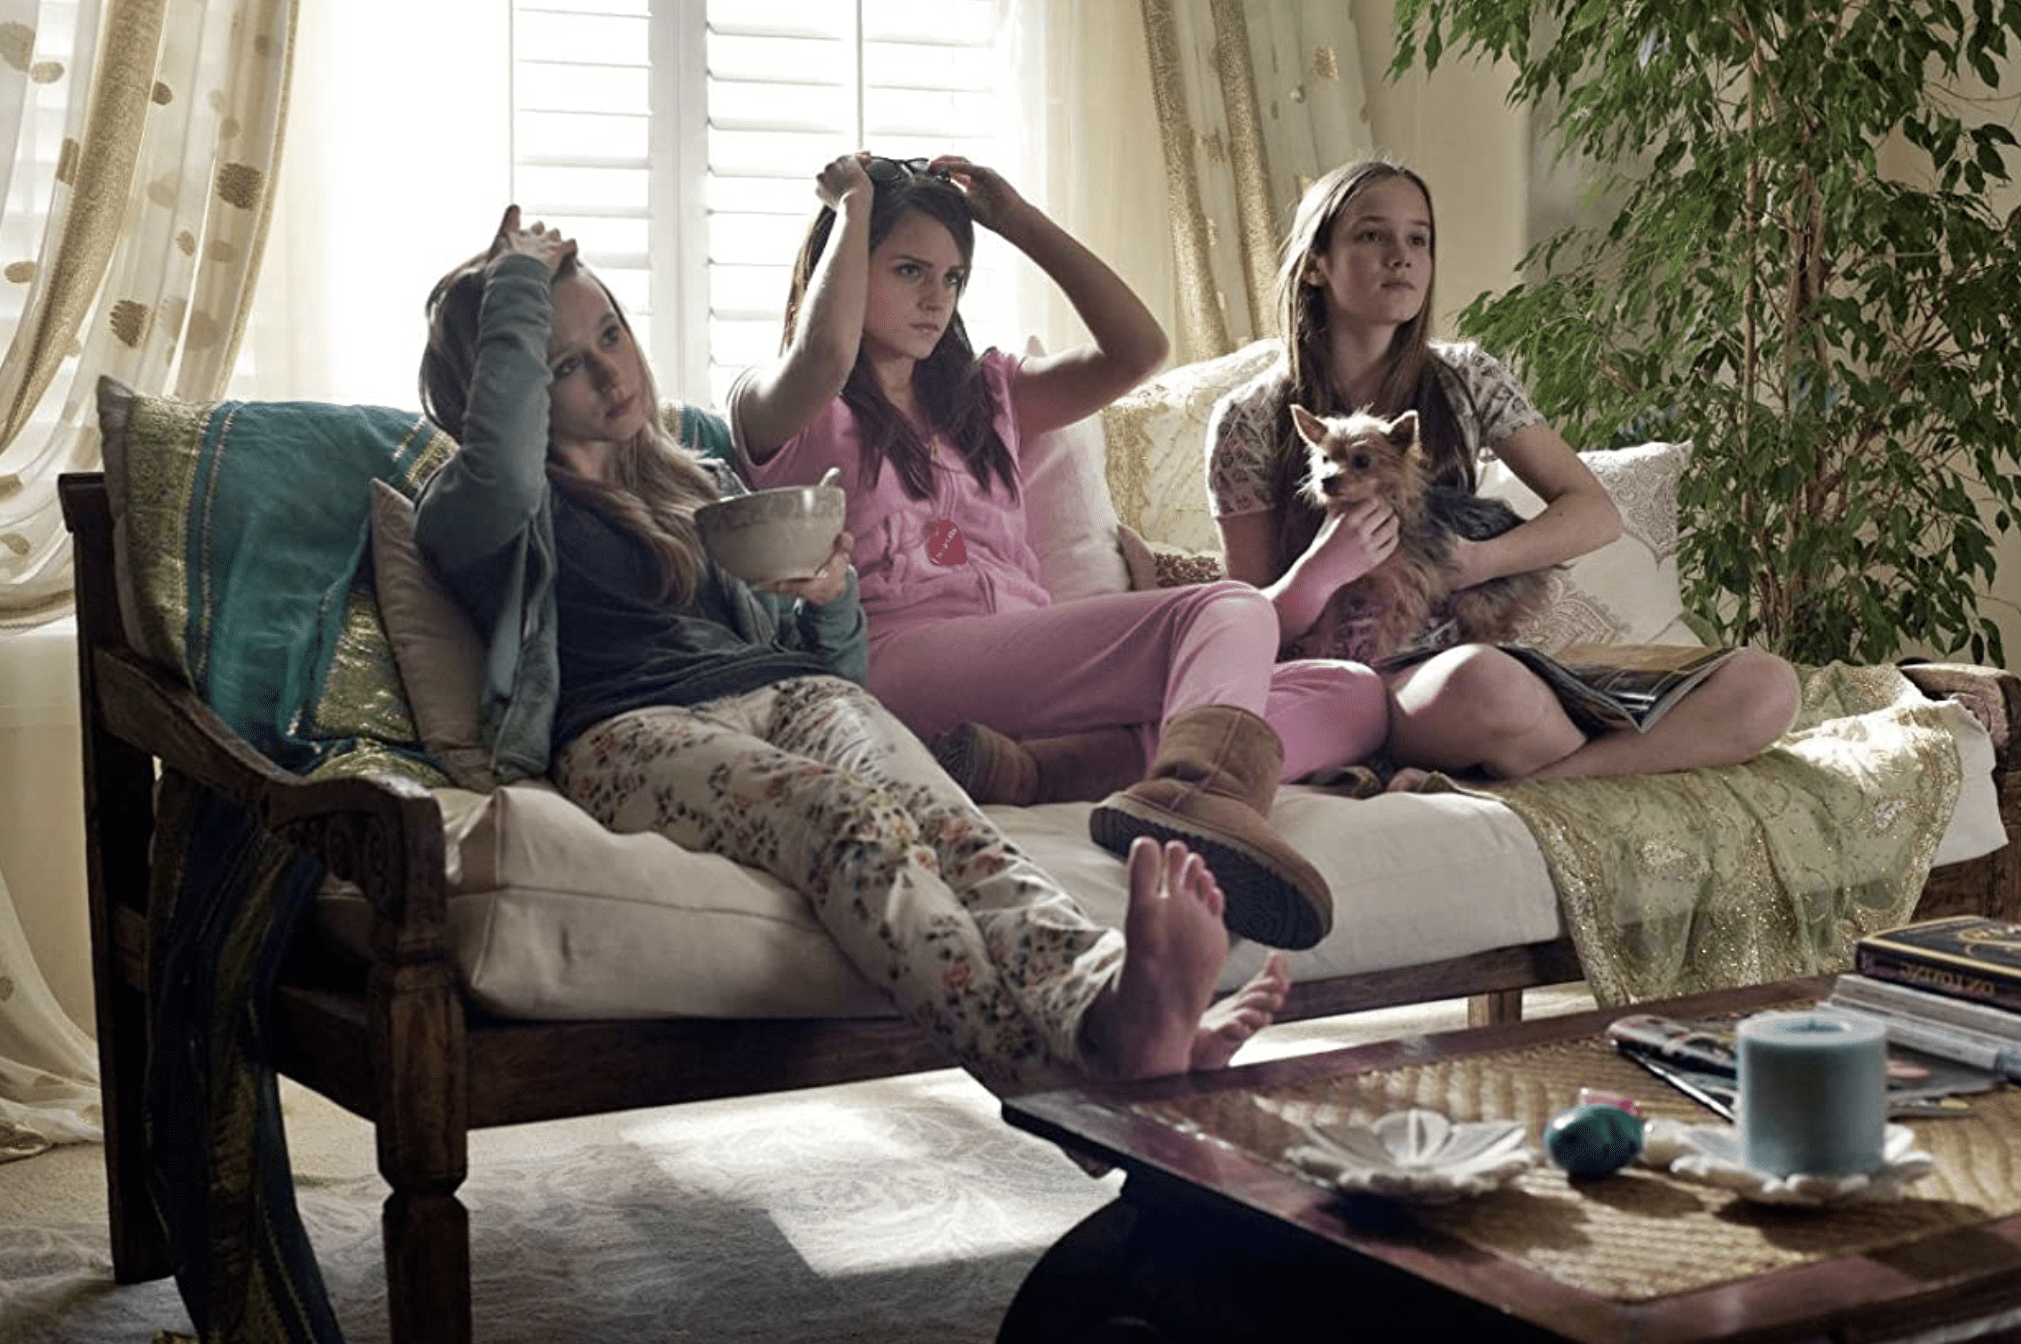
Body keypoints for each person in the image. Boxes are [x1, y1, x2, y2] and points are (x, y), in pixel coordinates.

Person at [412, 205, 1291, 1099]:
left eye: (611, 333)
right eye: (563, 364)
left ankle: (1107, 999)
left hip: (795, 695)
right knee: (846, 821)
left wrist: (830, 602)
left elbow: (832, 666)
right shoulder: (477, 510)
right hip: (626, 731)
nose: (610, 371)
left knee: (953, 831)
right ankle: (1072, 1073)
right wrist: (517, 275)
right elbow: (502, 461)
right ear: (504, 383)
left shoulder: (695, 484)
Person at [730, 152, 1389, 950]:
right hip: (897, 664)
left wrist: (1017, 221)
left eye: (951, 278)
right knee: (1227, 608)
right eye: (909, 271)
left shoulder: (984, 395)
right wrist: (852, 206)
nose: (935, 298)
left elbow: (1139, 348)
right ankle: (1196, 793)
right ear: (845, 260)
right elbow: (826, 356)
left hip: (1025, 677)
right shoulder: (782, 403)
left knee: (1352, 694)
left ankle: (1045, 771)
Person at [1207, 158, 1800, 787]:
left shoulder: (1466, 378)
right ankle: (1582, 758)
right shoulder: (1249, 421)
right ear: (1317, 263)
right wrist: (1321, 572)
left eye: (1418, 238)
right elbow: (1248, 624)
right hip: (1380, 682)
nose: (1401, 257)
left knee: (1768, 686)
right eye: (1372, 235)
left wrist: (1476, 562)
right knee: (1489, 686)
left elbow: (1592, 513)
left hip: (1491, 659)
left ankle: (1538, 778)